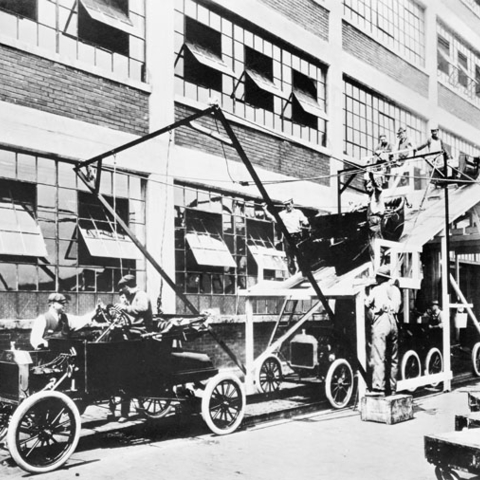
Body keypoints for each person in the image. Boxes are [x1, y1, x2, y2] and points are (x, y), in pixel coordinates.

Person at [365, 265, 401, 396]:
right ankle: (392, 389)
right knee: (393, 358)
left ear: (380, 278)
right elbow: (399, 307)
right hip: (394, 322)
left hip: (381, 322)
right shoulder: (396, 290)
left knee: (379, 356)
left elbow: (366, 303)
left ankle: (378, 388)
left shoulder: (376, 289)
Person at [30, 293, 96, 349]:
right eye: (61, 303)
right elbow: (35, 339)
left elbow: (81, 320)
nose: (64, 305)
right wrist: (47, 344)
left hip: (63, 357)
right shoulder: (42, 319)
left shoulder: (66, 318)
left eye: (65, 303)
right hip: (47, 357)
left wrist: (95, 312)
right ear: (52, 304)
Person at [262, 198, 309, 275]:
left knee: (300, 254)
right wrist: (265, 209)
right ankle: (292, 274)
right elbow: (273, 218)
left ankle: (302, 272)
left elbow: (305, 220)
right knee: (289, 256)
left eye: (289, 204)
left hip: (297, 235)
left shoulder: (298, 212)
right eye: (286, 205)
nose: (288, 206)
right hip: (287, 236)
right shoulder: (282, 214)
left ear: (292, 204)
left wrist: (305, 222)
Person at [364, 172, 385, 263]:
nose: (367, 190)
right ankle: (376, 266)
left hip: (375, 224)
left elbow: (377, 188)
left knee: (377, 246)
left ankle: (380, 265)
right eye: (367, 188)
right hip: (371, 226)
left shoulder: (377, 194)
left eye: (369, 187)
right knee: (372, 249)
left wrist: (372, 178)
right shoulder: (371, 198)